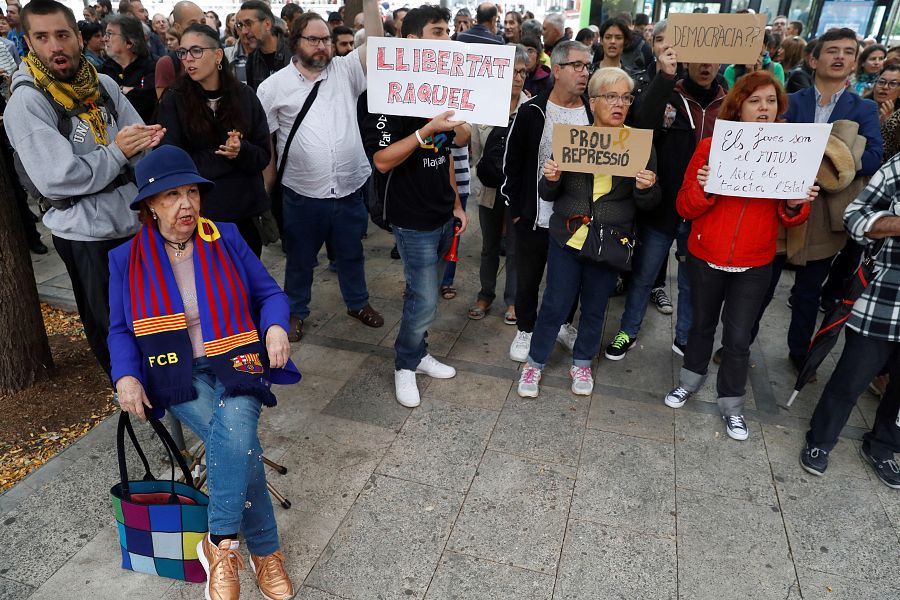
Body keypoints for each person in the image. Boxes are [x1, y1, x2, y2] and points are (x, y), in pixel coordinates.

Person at [109, 145, 300, 600]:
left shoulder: (226, 238)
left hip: (236, 357)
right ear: (150, 205)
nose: (186, 204)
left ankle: (220, 544)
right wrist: (126, 377)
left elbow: (270, 294)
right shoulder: (125, 259)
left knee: (232, 435)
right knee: (239, 441)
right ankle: (265, 552)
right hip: (175, 372)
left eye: (192, 192)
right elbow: (119, 329)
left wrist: (275, 326)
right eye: (172, 195)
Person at [7, 0, 164, 377]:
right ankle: (130, 391)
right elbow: (58, 178)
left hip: (134, 224)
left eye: (62, 35)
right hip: (86, 236)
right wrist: (118, 152)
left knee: (153, 317)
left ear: (78, 38)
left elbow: (139, 141)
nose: (55, 46)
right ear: (28, 43)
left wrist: (148, 149)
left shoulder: (103, 84)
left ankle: (164, 382)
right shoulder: (27, 103)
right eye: (42, 37)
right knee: (113, 328)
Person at [663, 71, 814, 441]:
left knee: (739, 338)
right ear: (738, 107)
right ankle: (689, 380)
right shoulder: (710, 147)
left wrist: (795, 204)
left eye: (771, 101)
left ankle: (732, 404)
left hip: (754, 262)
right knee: (700, 325)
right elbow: (684, 206)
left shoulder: (790, 152)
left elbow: (791, 216)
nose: (764, 108)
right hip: (706, 255)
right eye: (754, 100)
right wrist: (704, 189)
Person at [745, 28, 883, 374]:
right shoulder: (790, 100)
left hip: (825, 215)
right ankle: (739, 344)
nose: (840, 57)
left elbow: (874, 158)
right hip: (781, 208)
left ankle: (798, 351)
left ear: (854, 61)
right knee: (761, 286)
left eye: (848, 52)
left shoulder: (864, 108)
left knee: (808, 292)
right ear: (813, 59)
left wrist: (827, 162)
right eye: (832, 50)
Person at [516, 67, 660, 398]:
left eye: (626, 97)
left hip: (609, 240)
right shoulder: (573, 140)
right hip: (568, 235)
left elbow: (650, 202)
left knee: (595, 306)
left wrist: (646, 188)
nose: (619, 104)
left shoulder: (639, 145)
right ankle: (535, 363)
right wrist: (550, 178)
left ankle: (582, 361)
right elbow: (548, 193)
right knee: (555, 303)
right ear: (592, 102)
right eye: (611, 96)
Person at [257, 1, 384, 343]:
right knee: (300, 259)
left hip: (349, 188)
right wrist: (267, 186)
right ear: (295, 42)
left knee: (351, 253)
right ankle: (295, 311)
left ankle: (357, 303)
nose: (322, 46)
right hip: (301, 193)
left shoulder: (346, 70)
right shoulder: (273, 87)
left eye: (325, 39)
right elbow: (267, 142)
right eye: (313, 40)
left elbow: (376, 45)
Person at [362, 5, 466, 408]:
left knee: (428, 294)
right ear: (412, 41)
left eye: (448, 31)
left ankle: (419, 354)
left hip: (443, 213)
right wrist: (426, 130)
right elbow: (382, 160)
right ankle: (405, 364)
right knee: (422, 299)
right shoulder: (380, 96)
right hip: (411, 218)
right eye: (438, 32)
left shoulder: (442, 90)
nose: (447, 38)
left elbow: (450, 151)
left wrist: (456, 204)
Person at [605, 55, 722, 361]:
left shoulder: (727, 103)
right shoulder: (669, 94)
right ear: (688, 60)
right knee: (643, 275)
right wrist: (665, 78)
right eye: (701, 59)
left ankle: (684, 337)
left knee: (690, 281)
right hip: (662, 205)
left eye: (713, 60)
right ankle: (628, 331)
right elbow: (641, 124)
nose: (706, 65)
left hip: (701, 209)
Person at [799, 153, 900, 488]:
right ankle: (820, 439)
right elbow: (855, 217)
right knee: (850, 380)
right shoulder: (898, 167)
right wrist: (896, 223)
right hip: (884, 303)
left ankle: (883, 446)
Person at [502, 40, 594, 364]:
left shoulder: (592, 114)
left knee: (568, 282)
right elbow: (511, 165)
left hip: (575, 219)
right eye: (577, 66)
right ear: (557, 70)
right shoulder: (532, 111)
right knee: (528, 278)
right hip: (534, 217)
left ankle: (564, 325)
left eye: (587, 66)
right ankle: (525, 329)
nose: (584, 73)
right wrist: (517, 211)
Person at [155, 23, 271, 259]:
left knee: (245, 277)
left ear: (218, 55)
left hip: (243, 214)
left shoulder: (244, 96)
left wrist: (241, 150)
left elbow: (262, 155)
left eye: (196, 51)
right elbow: (174, 160)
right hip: (200, 216)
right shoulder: (174, 99)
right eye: (183, 52)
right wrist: (227, 157)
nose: (188, 59)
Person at [468, 45, 527, 324]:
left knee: (516, 248)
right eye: (513, 71)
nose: (518, 77)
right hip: (490, 189)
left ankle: (513, 301)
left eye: (523, 72)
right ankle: (485, 295)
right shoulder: (485, 108)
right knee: (489, 245)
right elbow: (476, 153)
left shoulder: (531, 109)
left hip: (518, 192)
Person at [100, 13, 157, 121]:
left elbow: (145, 102)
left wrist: (116, 92)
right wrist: (126, 91)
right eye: (105, 34)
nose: (104, 39)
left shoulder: (153, 66)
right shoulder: (102, 70)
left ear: (129, 42)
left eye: (109, 34)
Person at [236, 1, 290, 91]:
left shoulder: (294, 51)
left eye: (249, 24)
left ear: (267, 24)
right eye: (240, 25)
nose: (244, 31)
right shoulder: (252, 59)